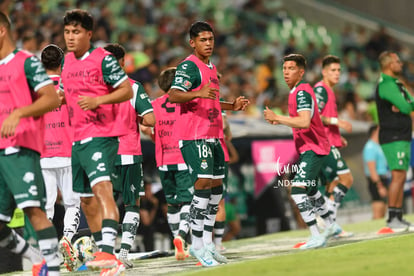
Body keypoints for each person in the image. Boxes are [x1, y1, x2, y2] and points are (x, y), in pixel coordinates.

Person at [168, 21, 248, 266]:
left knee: (216, 191)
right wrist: (196, 93)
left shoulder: (211, 68)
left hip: (213, 135)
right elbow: (173, 94)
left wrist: (231, 106)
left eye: (211, 39)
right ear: (192, 42)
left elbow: (210, 101)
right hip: (195, 135)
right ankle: (197, 245)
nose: (208, 44)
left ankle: (208, 244)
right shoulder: (188, 66)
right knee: (202, 184)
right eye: (203, 40)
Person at [60, 9, 133, 274]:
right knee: (87, 201)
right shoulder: (67, 61)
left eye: (76, 32)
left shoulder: (103, 59)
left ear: (89, 34)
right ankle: (102, 256)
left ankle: (109, 253)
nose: (70, 37)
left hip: (100, 136)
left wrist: (98, 100)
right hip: (76, 139)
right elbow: (62, 93)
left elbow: (125, 90)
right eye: (67, 31)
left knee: (103, 191)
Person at [0, 11, 61, 275]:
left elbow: (51, 99)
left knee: (33, 210)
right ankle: (37, 258)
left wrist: (19, 112)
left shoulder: (26, 62)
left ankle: (55, 270)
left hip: (20, 148)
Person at [264, 54, 340, 249]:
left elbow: (304, 121)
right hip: (311, 147)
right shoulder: (296, 92)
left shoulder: (301, 92)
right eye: (284, 68)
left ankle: (316, 235)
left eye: (291, 68)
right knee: (312, 190)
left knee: (297, 190)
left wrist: (278, 118)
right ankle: (332, 226)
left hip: (313, 148)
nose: (286, 72)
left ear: (301, 71)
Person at [104, 43, 155, 269]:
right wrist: (141, 119)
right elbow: (150, 119)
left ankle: (104, 251)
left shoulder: (94, 88)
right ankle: (123, 252)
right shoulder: (132, 87)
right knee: (132, 205)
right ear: (123, 61)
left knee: (104, 204)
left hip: (102, 154)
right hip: (129, 153)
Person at [40, 44, 82, 272]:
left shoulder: (33, 89)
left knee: (46, 208)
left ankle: (47, 254)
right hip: (69, 152)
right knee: (72, 203)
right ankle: (67, 239)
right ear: (62, 63)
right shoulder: (71, 88)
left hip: (43, 154)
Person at [151, 67, 193, 261]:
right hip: (183, 159)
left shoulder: (154, 105)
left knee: (172, 204)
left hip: (163, 160)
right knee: (189, 201)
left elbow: (146, 125)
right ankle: (182, 237)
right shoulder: (185, 102)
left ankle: (179, 243)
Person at [375, 51, 414, 232]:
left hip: (402, 135)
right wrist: (404, 104)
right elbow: (407, 105)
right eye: (398, 61)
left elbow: (410, 102)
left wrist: (404, 104)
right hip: (393, 136)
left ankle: (398, 215)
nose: (401, 64)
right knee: (397, 176)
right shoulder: (386, 84)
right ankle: (392, 218)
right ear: (390, 64)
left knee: (402, 175)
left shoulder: (396, 83)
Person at [313, 55, 353, 226]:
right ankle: (327, 215)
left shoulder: (329, 90)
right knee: (347, 179)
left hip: (330, 139)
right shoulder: (321, 90)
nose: (337, 74)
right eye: (333, 70)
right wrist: (338, 122)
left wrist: (338, 135)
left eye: (338, 70)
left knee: (333, 182)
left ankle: (330, 222)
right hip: (325, 142)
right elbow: (315, 116)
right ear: (324, 72)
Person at [363, 125, 389, 219]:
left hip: (383, 177)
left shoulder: (378, 146)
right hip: (376, 179)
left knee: (384, 207)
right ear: (375, 132)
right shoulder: (370, 147)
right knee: (378, 206)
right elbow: (372, 169)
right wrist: (379, 185)